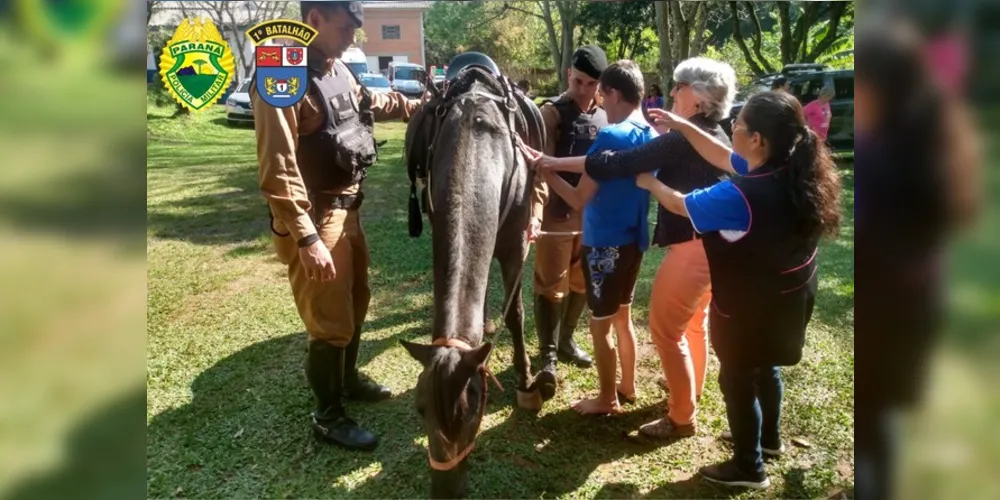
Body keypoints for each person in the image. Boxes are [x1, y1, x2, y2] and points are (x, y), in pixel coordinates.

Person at [638, 91, 841, 488]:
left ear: (758, 140)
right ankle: (769, 441)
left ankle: (749, 467)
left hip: (750, 308)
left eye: (739, 125)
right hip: (790, 298)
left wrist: (649, 181)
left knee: (736, 378)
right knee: (767, 367)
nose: (732, 127)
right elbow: (720, 155)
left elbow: (680, 204)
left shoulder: (739, 195)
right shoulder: (791, 170)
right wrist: (682, 127)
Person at [531, 57, 737, 438]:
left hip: (643, 245)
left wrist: (551, 164)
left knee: (646, 330)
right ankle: (667, 390)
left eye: (679, 86)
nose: (672, 91)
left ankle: (656, 409)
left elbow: (608, 171)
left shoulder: (661, 136)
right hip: (659, 244)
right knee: (681, 324)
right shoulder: (694, 133)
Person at [253, 0, 425, 452]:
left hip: (349, 209)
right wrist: (306, 236)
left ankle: (347, 381)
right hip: (314, 216)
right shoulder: (282, 68)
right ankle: (328, 416)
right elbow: (277, 163)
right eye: (347, 26)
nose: (354, 36)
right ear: (313, 20)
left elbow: (368, 103)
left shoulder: (337, 67)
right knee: (329, 320)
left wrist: (416, 106)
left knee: (357, 300)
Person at [854, 16, 980, 500]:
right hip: (919, 295)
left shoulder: (883, 154)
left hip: (886, 302)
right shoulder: (932, 135)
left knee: (873, 415)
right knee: (885, 413)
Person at [526, 61, 658, 414]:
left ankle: (606, 399)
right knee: (623, 319)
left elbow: (577, 198)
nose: (601, 103)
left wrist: (544, 168)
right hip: (634, 242)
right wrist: (552, 161)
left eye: (602, 94)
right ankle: (627, 385)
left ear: (612, 93)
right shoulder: (649, 134)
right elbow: (597, 163)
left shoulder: (612, 134)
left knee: (600, 328)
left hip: (604, 246)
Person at [528, 45, 609, 398]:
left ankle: (566, 341)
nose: (583, 89)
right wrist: (535, 212)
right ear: (568, 75)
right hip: (557, 216)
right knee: (551, 285)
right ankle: (546, 356)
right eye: (578, 81)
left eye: (591, 84)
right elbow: (539, 169)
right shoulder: (552, 114)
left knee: (581, 283)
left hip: (592, 217)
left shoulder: (606, 116)